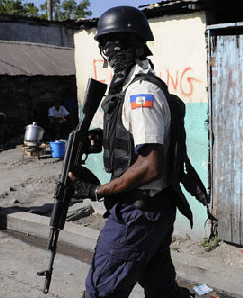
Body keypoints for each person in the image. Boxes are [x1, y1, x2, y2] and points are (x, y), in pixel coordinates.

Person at [68, 6, 193, 298]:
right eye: (104, 45)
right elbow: (133, 139)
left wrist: (99, 190)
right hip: (150, 210)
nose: (107, 53)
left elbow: (150, 165)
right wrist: (98, 139)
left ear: (130, 44)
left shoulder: (141, 93)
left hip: (139, 213)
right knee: (162, 289)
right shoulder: (128, 88)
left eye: (111, 44)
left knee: (102, 292)